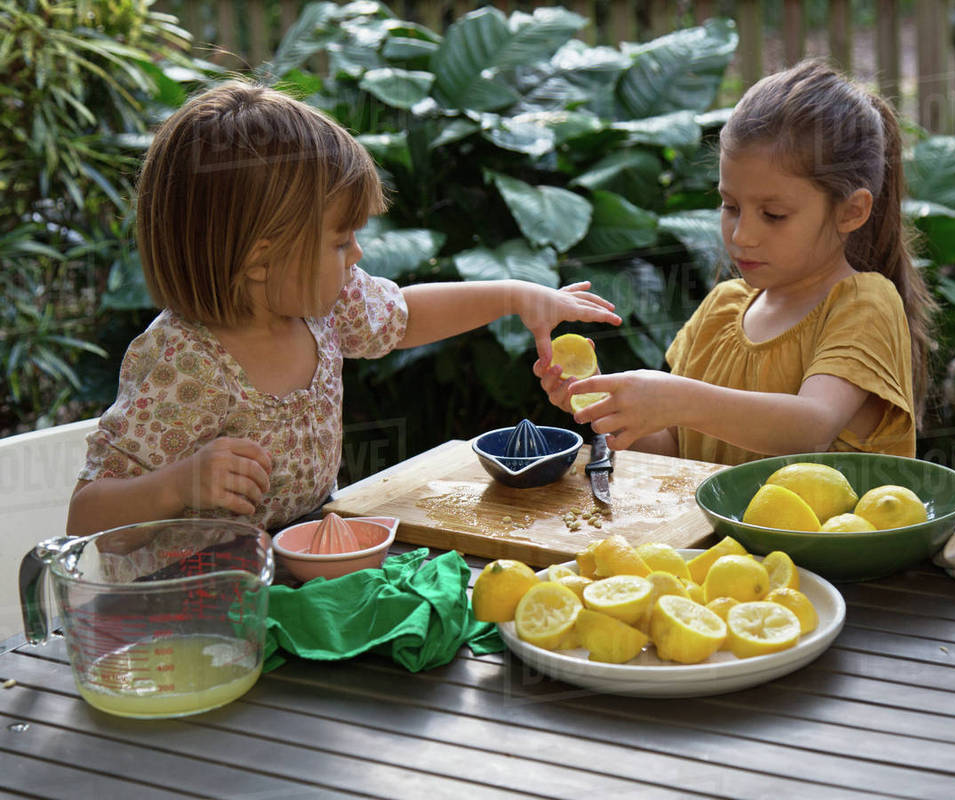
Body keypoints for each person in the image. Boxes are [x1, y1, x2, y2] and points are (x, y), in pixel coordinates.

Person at [67, 81, 620, 535]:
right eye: (339, 241)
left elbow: (404, 314)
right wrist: (177, 484)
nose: (357, 253)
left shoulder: (321, 306)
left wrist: (516, 296)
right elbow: (86, 517)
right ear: (260, 259)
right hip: (189, 615)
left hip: (297, 565)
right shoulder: (181, 363)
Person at [534, 59, 934, 464]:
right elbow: (677, 450)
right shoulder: (721, 310)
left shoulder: (863, 305)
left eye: (773, 215)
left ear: (850, 211)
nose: (742, 235)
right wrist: (603, 400)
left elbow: (810, 428)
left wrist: (678, 399)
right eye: (730, 206)